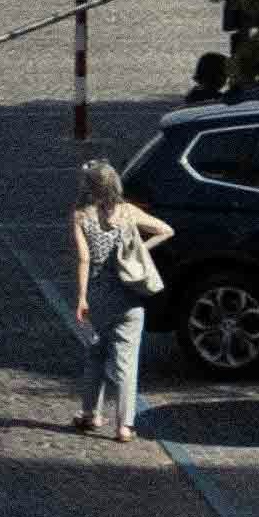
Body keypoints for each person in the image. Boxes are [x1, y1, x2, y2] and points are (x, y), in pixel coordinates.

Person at [67, 159, 170, 444]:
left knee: (96, 353)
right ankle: (125, 426)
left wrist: (82, 297)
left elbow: (84, 258)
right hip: (129, 297)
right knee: (127, 362)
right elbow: (165, 230)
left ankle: (91, 414)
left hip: (99, 296)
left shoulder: (81, 215)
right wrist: (138, 251)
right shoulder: (127, 212)